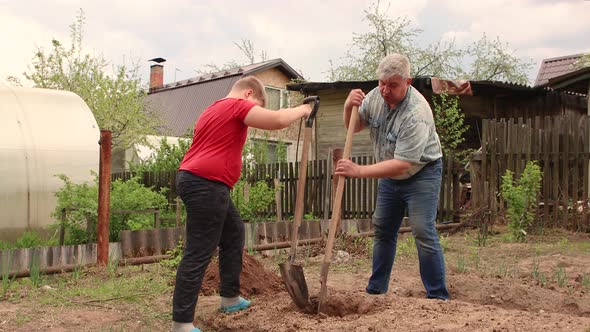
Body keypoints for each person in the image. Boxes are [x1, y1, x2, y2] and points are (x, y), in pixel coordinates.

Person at [172, 76, 312, 332]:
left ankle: (230, 298)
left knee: (234, 233)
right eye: (257, 105)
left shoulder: (213, 108)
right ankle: (181, 324)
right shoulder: (237, 105)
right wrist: (303, 109)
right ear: (249, 94)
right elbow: (278, 121)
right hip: (207, 184)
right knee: (199, 251)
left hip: (199, 180)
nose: (255, 111)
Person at [335, 53, 449, 300]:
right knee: (384, 230)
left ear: (408, 82)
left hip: (421, 173)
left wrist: (359, 170)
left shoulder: (416, 113)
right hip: (391, 174)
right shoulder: (376, 97)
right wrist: (347, 106)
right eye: (381, 83)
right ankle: (376, 291)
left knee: (422, 230)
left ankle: (438, 296)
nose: (385, 90)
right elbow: (354, 126)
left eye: (393, 85)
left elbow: (403, 164)